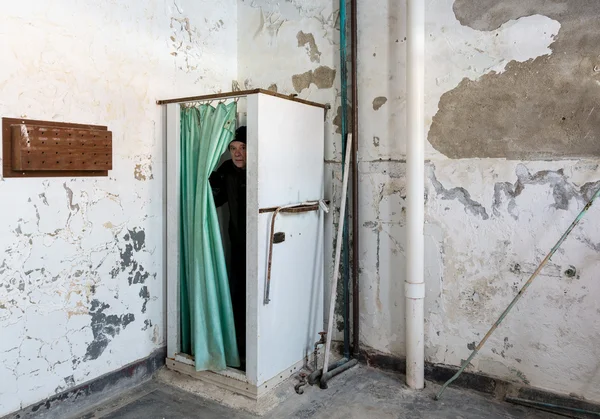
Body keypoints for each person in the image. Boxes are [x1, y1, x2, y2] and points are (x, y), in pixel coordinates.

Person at [209, 126, 247, 367]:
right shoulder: (227, 170)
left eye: (242, 148)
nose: (237, 153)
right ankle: (238, 347)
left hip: (261, 242)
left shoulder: (262, 170)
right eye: (233, 149)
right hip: (238, 242)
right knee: (238, 291)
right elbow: (216, 197)